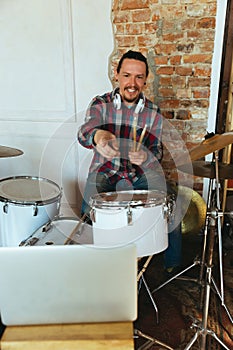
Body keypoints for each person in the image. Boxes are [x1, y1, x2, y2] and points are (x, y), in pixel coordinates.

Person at [77, 50, 182, 273]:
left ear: (145, 79)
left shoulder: (153, 111)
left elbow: (157, 151)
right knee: (89, 210)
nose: (132, 83)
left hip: (139, 174)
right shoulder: (100, 102)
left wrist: (146, 157)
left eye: (138, 77)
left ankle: (170, 267)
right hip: (105, 171)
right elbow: (84, 132)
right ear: (117, 75)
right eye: (127, 75)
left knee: (172, 204)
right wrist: (99, 136)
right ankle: (95, 268)